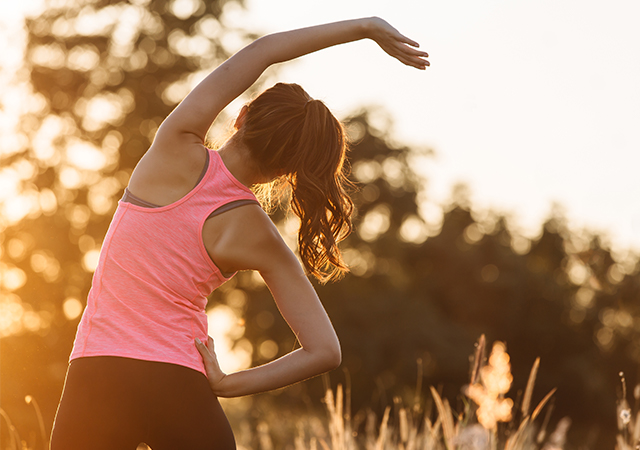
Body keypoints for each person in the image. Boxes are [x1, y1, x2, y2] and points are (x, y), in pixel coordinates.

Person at [50, 16, 428, 450]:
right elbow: (325, 350)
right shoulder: (260, 235)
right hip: (180, 383)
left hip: (98, 374)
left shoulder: (174, 145)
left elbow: (264, 51)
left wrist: (365, 27)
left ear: (242, 116)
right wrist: (229, 384)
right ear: (288, 171)